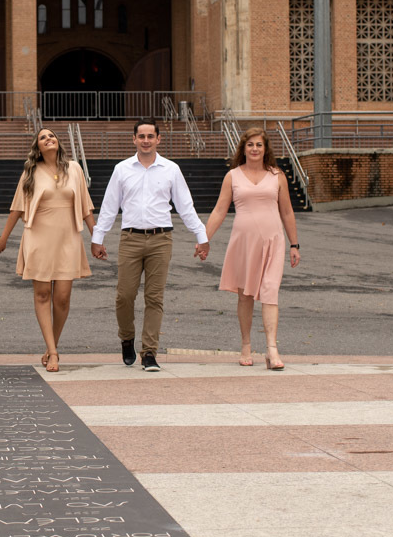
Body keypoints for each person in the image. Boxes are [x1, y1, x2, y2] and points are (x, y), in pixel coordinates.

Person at [91, 120, 209, 372]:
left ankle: (149, 353)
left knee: (154, 298)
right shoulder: (122, 169)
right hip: (130, 239)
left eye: (150, 136)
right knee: (124, 296)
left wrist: (202, 235)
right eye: (141, 136)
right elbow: (110, 206)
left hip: (160, 239)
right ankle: (127, 338)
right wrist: (97, 238)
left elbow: (185, 206)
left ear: (159, 139)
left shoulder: (171, 169)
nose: (146, 140)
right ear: (133, 139)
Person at [0, 128, 96, 373]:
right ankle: (53, 352)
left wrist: (97, 238)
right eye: (43, 138)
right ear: (37, 148)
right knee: (42, 295)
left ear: (58, 142)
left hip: (68, 238)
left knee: (62, 297)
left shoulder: (74, 169)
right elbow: (17, 208)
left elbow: (86, 208)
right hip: (38, 237)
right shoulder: (30, 173)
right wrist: (3, 239)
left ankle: (53, 344)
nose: (49, 139)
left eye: (51, 136)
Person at [204, 128, 301, 371]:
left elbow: (287, 211)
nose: (255, 149)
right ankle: (246, 345)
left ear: (265, 149)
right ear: (243, 148)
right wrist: (204, 239)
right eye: (250, 145)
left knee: (270, 291)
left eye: (259, 145)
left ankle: (272, 349)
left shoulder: (277, 175)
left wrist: (294, 244)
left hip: (273, 241)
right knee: (245, 294)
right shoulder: (233, 176)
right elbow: (219, 211)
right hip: (243, 242)